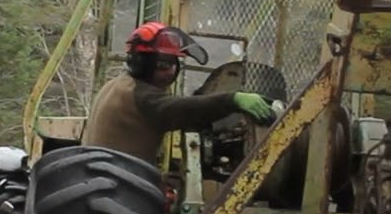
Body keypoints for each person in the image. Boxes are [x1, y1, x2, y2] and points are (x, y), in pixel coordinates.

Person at [81, 21, 276, 163]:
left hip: (100, 179)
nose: (171, 72)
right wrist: (233, 100)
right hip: (119, 189)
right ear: (141, 63)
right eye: (163, 65)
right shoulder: (140, 96)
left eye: (174, 65)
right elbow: (181, 109)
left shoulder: (116, 85)